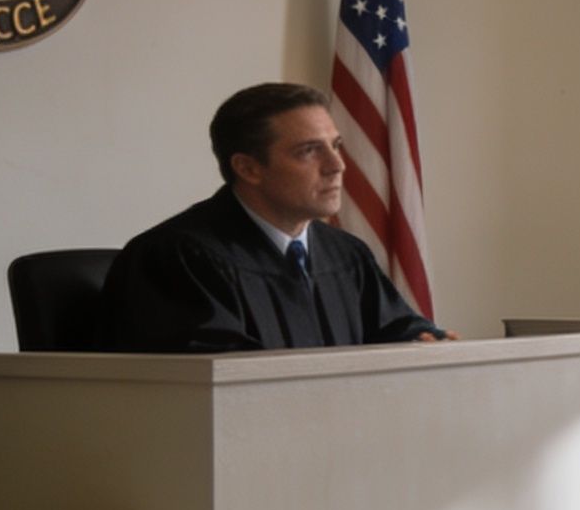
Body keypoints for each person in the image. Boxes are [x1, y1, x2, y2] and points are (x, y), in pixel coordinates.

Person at [100, 82, 454, 352]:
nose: (337, 166)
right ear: (249, 167)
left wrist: (428, 344)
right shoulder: (177, 258)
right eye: (309, 151)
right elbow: (218, 389)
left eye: (336, 146)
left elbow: (398, 331)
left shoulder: (346, 255)